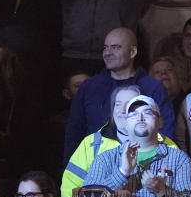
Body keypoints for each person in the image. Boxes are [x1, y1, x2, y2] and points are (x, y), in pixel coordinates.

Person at [62, 85, 180, 197]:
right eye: (118, 104)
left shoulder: (168, 147)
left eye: (130, 104)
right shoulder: (92, 144)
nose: (123, 110)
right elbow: (71, 184)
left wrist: (163, 192)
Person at [64, 28, 173, 160]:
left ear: (133, 52)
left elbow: (165, 132)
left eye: (115, 47)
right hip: (93, 168)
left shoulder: (153, 87)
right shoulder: (89, 87)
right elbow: (74, 132)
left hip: (142, 168)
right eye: (105, 48)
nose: (108, 53)